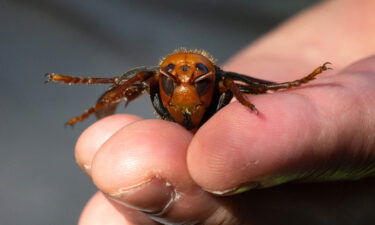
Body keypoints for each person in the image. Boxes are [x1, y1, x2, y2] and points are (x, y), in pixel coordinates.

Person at [75, 0, 375, 224]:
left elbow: (247, 84)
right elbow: (127, 84)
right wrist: (97, 92)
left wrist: (292, 85)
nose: (185, 85)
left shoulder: (223, 81)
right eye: (173, 78)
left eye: (198, 78)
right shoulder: (152, 80)